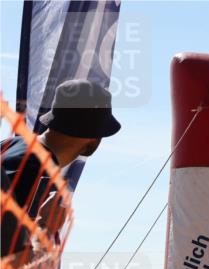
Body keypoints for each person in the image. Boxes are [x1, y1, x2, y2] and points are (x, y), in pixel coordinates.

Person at [2, 79, 121, 258]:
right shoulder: (38, 172)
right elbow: (14, 268)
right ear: (94, 141)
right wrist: (45, 231)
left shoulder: (10, 145)